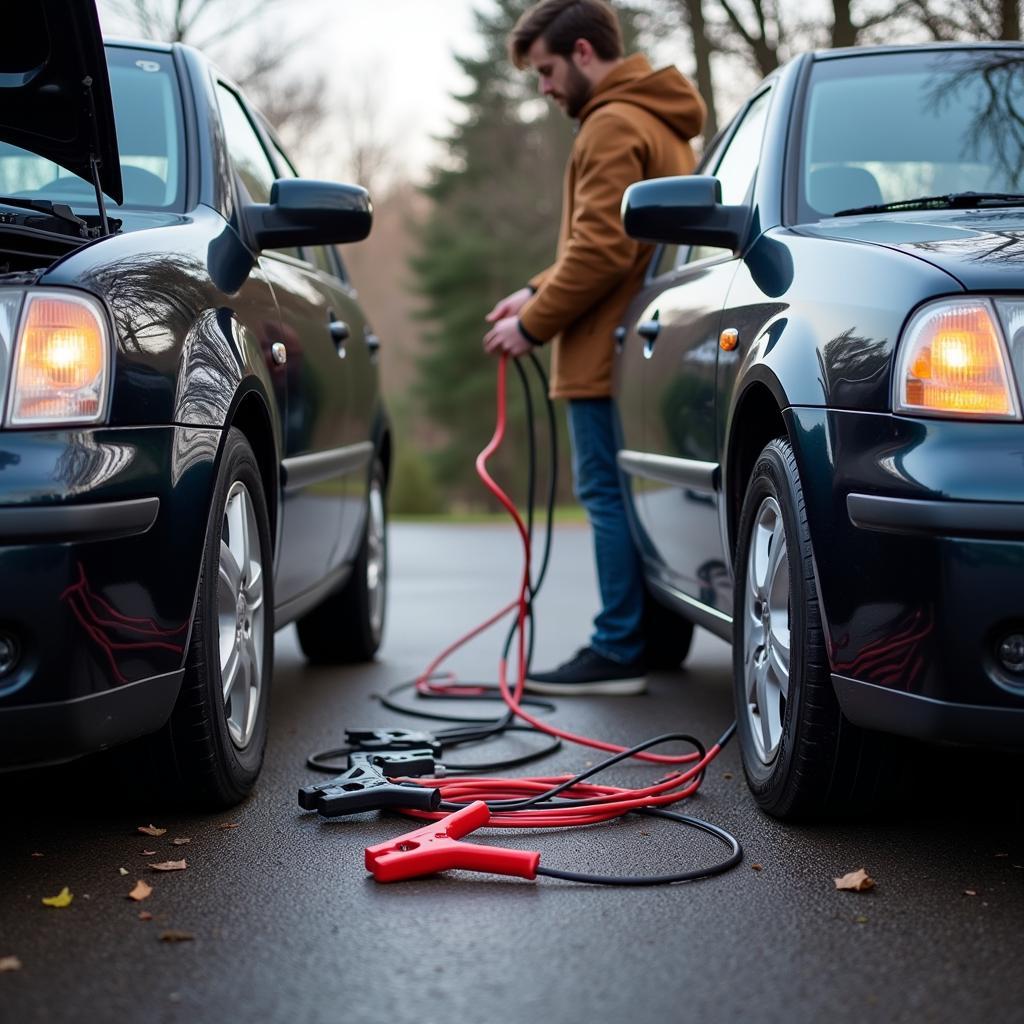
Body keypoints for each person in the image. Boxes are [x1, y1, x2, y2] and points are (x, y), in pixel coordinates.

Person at [482, 0, 705, 695]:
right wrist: (532, 288)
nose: (544, 88)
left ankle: (617, 648)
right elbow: (618, 240)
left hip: (601, 352)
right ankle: (650, 640)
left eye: (547, 71)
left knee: (605, 496)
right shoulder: (660, 121)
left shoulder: (609, 125)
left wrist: (533, 324)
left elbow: (604, 248)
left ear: (583, 53)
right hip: (640, 344)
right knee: (634, 497)